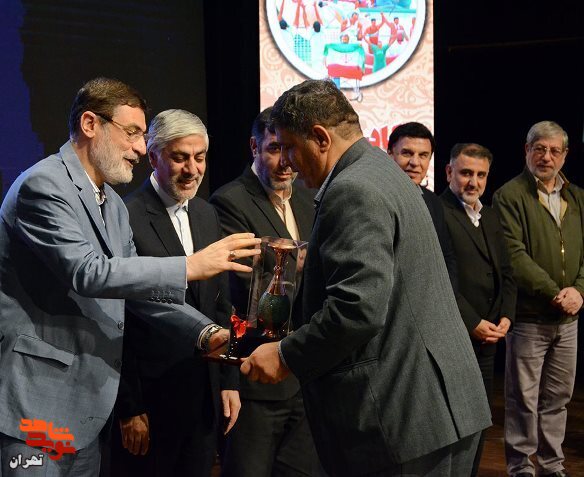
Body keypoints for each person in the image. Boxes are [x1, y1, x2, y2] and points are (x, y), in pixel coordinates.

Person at [0, 77, 259, 476]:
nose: (140, 148)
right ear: (90, 124)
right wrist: (190, 265)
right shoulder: (43, 185)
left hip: (85, 411)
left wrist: (207, 334)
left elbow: (141, 294)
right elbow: (87, 271)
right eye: (133, 133)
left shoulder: (114, 206)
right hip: (37, 406)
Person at [241, 79, 491, 476]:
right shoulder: (379, 169)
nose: (286, 160)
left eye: (288, 146)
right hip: (438, 409)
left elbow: (356, 310)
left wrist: (286, 355)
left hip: (404, 421)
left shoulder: (352, 188)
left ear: (320, 138)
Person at [109, 109, 240, 477]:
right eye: (180, 157)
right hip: (151, 402)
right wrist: (130, 407)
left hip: (203, 398)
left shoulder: (207, 214)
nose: (192, 169)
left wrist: (229, 381)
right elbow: (116, 318)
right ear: (153, 157)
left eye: (200, 157)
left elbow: (220, 304)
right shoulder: (125, 217)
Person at [209, 107, 319, 477]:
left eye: (291, 149)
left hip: (303, 374)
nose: (285, 161)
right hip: (255, 377)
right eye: (274, 149)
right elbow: (244, 287)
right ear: (255, 147)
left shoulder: (308, 198)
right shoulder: (230, 201)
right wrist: (303, 263)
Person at [493, 121, 583, 477]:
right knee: (523, 400)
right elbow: (514, 256)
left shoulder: (578, 197)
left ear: (565, 155)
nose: (547, 156)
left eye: (554, 150)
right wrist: (555, 293)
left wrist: (579, 290)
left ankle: (551, 465)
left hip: (568, 320)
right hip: (529, 318)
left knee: (558, 399)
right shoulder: (509, 195)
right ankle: (521, 467)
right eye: (539, 148)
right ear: (526, 150)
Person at [440, 143, 516, 476]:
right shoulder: (439, 213)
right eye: (466, 173)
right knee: (453, 423)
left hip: (488, 340)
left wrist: (506, 317)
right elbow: (440, 279)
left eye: (481, 175)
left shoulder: (492, 214)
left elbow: (508, 272)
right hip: (455, 336)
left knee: (479, 420)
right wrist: (471, 321)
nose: (473, 182)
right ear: (449, 172)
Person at [387, 121, 457, 288]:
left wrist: (447, 297)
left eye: (423, 155)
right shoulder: (373, 197)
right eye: (407, 153)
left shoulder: (434, 201)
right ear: (389, 155)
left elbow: (446, 256)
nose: (415, 162)